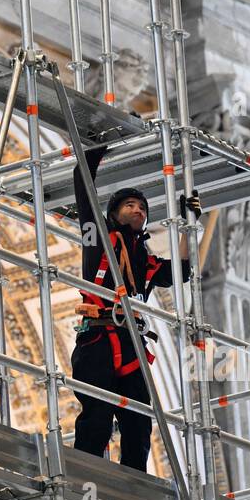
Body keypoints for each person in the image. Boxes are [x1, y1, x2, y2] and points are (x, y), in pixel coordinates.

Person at [70, 145, 198, 471]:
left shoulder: (146, 260)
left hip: (131, 344)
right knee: (97, 418)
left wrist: (190, 222)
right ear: (114, 214)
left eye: (142, 207)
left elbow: (182, 270)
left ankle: (135, 484)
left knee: (140, 421)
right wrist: (97, 145)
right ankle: (85, 475)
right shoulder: (97, 239)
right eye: (130, 205)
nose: (138, 210)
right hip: (98, 340)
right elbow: (83, 191)